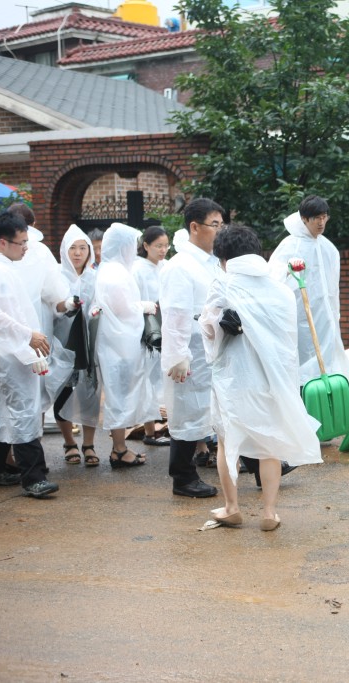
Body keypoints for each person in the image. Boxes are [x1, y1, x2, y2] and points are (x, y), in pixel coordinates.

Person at [199, 226, 323, 532]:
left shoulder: (223, 285)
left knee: (228, 443)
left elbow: (210, 330)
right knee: (270, 445)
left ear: (225, 257)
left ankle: (232, 508)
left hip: (234, 380)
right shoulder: (280, 289)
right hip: (273, 381)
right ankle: (269, 512)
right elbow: (286, 341)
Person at [160, 199, 224, 498]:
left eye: (222, 224)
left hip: (213, 350)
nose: (219, 230)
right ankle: (183, 478)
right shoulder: (180, 266)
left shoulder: (213, 262)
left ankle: (257, 463)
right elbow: (175, 315)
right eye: (215, 225)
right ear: (194, 227)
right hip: (190, 354)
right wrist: (178, 356)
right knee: (187, 414)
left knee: (218, 409)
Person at [0, 211, 59, 497]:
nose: (25, 248)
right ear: (2, 243)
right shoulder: (1, 271)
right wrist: (28, 335)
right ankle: (32, 476)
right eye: (21, 242)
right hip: (9, 353)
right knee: (23, 412)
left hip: (14, 350)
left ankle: (3, 468)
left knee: (5, 413)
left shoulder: (7, 268)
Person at [92, 222, 160, 467]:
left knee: (119, 395)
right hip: (118, 345)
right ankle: (118, 450)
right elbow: (122, 308)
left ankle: (119, 447)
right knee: (119, 396)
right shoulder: (116, 273)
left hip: (117, 343)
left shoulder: (111, 269)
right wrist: (142, 306)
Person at [268, 195, 349, 385]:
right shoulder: (290, 245)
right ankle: (303, 389)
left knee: (327, 352)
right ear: (304, 219)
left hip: (325, 313)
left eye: (324, 217)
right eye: (317, 218)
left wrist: (335, 311)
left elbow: (333, 286)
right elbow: (272, 279)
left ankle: (325, 388)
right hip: (300, 313)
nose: (321, 222)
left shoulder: (328, 248)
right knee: (303, 350)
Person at [52, 225, 100, 467]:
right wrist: (65, 305)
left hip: (90, 344)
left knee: (91, 392)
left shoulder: (95, 276)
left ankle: (89, 443)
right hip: (65, 344)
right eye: (73, 248)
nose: (78, 253)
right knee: (64, 391)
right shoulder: (57, 276)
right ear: (64, 250)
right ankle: (69, 442)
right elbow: (52, 306)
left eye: (83, 248)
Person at [132, 226, 170, 447]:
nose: (163, 250)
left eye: (166, 246)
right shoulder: (138, 269)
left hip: (166, 323)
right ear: (146, 246)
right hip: (147, 326)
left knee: (163, 377)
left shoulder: (167, 266)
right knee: (148, 377)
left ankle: (165, 426)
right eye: (158, 246)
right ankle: (149, 431)